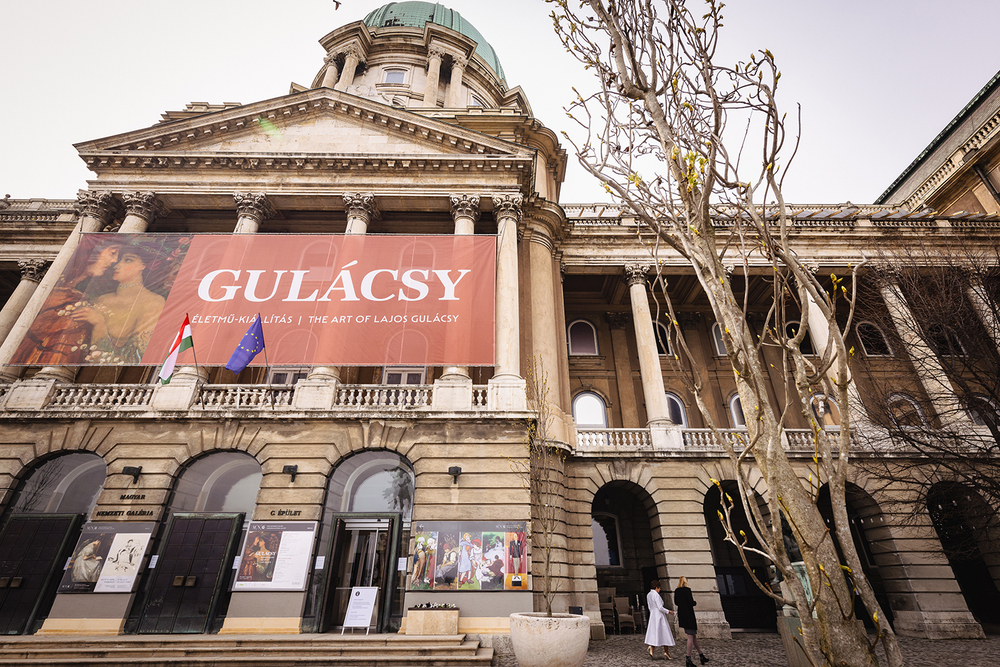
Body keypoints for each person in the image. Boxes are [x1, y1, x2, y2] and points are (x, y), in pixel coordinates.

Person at [68, 245, 166, 364]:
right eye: (118, 260)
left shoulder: (154, 302)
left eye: (128, 260)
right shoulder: (100, 299)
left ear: (144, 265)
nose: (117, 265)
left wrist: (100, 325)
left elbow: (136, 358)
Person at [674, 576, 709, 666]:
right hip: (689, 615)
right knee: (690, 636)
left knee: (693, 636)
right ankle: (688, 659)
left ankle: (701, 655)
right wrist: (695, 603)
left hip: (682, 614)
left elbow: (676, 602)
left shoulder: (677, 591)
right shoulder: (687, 590)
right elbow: (691, 602)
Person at [645, 580, 676, 659]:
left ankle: (652, 647)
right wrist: (668, 611)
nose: (660, 590)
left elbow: (649, 607)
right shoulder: (656, 595)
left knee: (655, 633)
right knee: (665, 633)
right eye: (659, 588)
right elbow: (660, 607)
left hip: (653, 615)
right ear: (656, 588)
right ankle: (666, 652)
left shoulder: (649, 594)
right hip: (659, 616)